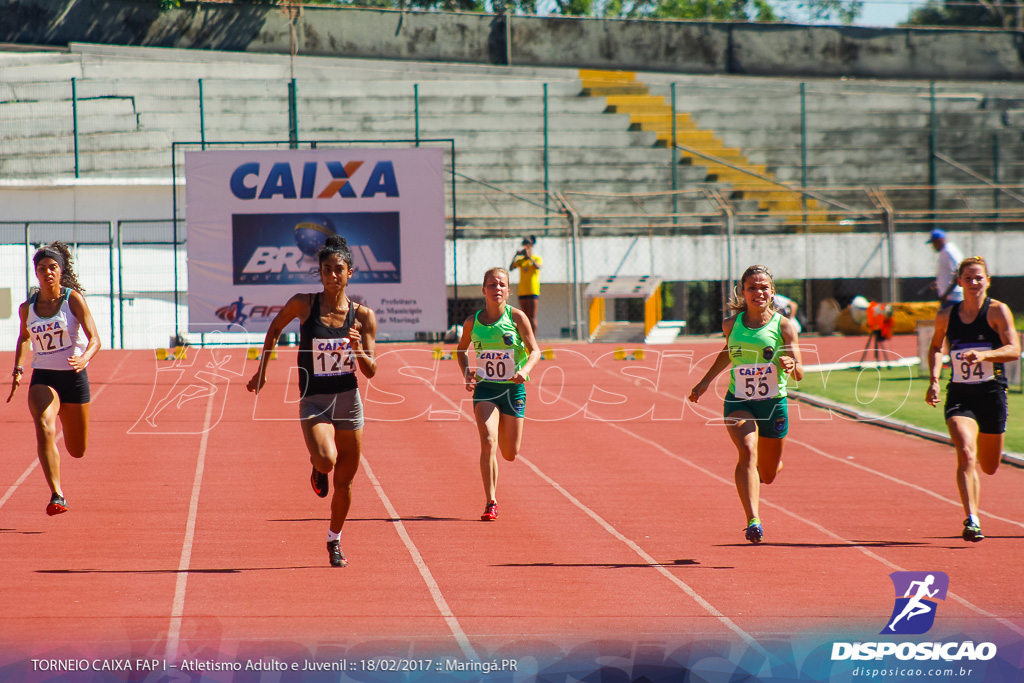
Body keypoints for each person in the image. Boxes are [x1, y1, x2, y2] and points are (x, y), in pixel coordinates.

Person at [247, 235, 378, 567]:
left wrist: (359, 348)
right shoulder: (304, 304)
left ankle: (334, 540)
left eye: (339, 270)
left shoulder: (363, 317)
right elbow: (275, 328)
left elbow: (372, 371)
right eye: (326, 270)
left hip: (348, 399)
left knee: (345, 481)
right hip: (315, 399)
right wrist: (262, 370)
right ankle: (317, 469)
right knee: (326, 460)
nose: (333, 276)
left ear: (350, 273)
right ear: (319, 274)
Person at [688, 265, 803, 544]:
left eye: (764, 287)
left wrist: (790, 364)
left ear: (772, 292)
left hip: (773, 404)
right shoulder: (732, 324)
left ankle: (769, 469)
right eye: (752, 287)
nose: (758, 292)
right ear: (743, 292)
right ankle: (753, 521)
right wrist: (704, 382)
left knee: (768, 473)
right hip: (739, 400)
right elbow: (728, 352)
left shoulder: (784, 326)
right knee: (747, 451)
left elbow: (799, 372)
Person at [925, 256, 1019, 542]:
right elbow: (935, 347)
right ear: (959, 282)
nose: (974, 283)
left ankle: (978, 476)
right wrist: (934, 380)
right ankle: (972, 519)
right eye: (968, 278)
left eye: (979, 278)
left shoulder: (998, 312)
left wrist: (985, 355)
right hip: (960, 394)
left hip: (991, 394)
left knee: (989, 466)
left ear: (987, 281)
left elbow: (1014, 349)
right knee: (965, 452)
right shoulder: (946, 316)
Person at [7, 242, 101, 515]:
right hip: (44, 376)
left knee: (77, 449)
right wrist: (18, 370)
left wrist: (84, 359)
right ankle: (57, 494)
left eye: (52, 268)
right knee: (44, 427)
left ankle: (68, 426)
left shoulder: (72, 300)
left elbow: (95, 339)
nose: (47, 273)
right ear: (36, 274)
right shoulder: (28, 308)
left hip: (73, 376)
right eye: (42, 269)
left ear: (60, 271)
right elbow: (25, 337)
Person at [456, 267, 540, 521]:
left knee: (509, 453)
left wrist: (525, 370)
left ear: (509, 290)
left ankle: (503, 461)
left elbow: (535, 351)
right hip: (486, 389)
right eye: (492, 285)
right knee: (487, 440)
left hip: (513, 389)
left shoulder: (517, 318)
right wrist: (467, 373)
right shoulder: (472, 322)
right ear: (484, 290)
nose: (497, 289)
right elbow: (460, 350)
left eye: (502, 285)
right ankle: (490, 501)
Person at [509, 236, 542, 336]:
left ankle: (533, 338)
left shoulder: (536, 258)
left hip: (532, 290)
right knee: (524, 316)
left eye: (528, 245)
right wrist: (516, 255)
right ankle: (526, 337)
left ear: (532, 246)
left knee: (532, 316)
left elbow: (538, 266)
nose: (526, 247)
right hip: (522, 291)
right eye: (524, 244)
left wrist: (529, 257)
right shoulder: (521, 260)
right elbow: (511, 268)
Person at [927, 229, 964, 309]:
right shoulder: (945, 250)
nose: (933, 246)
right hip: (950, 297)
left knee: (949, 321)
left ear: (939, 241)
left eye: (933, 243)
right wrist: (939, 282)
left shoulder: (949, 251)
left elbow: (959, 273)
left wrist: (947, 294)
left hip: (953, 298)